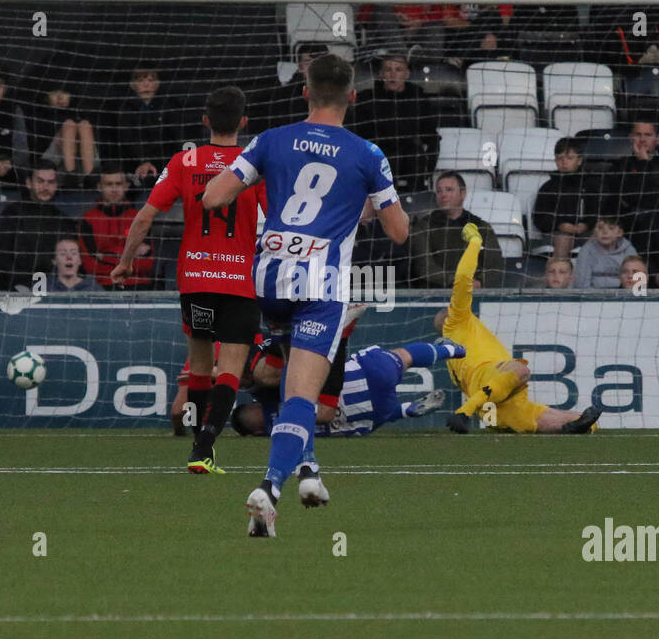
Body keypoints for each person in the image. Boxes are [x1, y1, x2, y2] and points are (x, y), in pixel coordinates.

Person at [202, 54, 410, 537]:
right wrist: (360, 205)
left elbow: (214, 196)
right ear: (352, 97)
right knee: (302, 394)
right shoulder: (367, 154)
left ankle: (310, 473)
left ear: (305, 93)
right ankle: (270, 488)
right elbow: (399, 232)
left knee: (290, 369)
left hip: (268, 277)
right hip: (320, 285)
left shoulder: (270, 140)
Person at [114, 86, 266, 473]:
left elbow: (146, 215)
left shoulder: (185, 161)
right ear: (244, 122)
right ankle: (204, 444)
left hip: (196, 277)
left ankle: (199, 436)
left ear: (204, 121)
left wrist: (126, 262)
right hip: (238, 280)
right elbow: (280, 219)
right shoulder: (255, 165)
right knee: (229, 368)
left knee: (200, 366)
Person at [437, 223, 601, 434]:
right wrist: (475, 243)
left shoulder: (453, 359)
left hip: (498, 408)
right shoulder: (456, 320)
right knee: (520, 369)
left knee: (584, 423)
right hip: (489, 377)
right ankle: (464, 411)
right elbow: (463, 279)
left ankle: (572, 427)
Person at [232, 338, 459, 438]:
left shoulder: (279, 432)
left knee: (353, 419)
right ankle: (453, 350)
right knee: (403, 356)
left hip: (371, 417)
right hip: (368, 375)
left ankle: (405, 410)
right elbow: (265, 378)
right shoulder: (278, 394)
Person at [350, 51, 438, 191]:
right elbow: (356, 135)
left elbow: (432, 137)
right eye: (388, 69)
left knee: (415, 156)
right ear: (381, 74)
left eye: (398, 70)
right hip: (379, 155)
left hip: (411, 159)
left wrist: (428, 172)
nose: (393, 75)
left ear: (406, 74)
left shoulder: (418, 98)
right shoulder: (367, 99)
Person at [409, 171, 504, 287]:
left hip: (473, 295)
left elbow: (495, 267)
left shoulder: (481, 227)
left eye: (449, 190)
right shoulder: (424, 226)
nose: (443, 195)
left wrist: (480, 282)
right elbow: (424, 267)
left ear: (463, 193)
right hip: (434, 294)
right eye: (439, 191)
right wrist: (457, 281)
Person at [0, 163, 76, 287]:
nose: (45, 187)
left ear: (56, 185)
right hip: (15, 287)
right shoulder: (12, 214)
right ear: (28, 183)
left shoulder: (63, 220)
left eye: (51, 182)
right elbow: (2, 257)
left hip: (54, 287)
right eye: (40, 181)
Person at [79, 165, 154, 289]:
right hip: (101, 288)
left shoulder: (139, 218)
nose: (114, 189)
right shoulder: (88, 219)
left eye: (118, 184)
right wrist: (130, 255)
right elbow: (90, 265)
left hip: (138, 287)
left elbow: (147, 263)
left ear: (126, 186)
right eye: (109, 184)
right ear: (99, 187)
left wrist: (105, 254)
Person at [531, 138, 595, 259]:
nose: (564, 162)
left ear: (579, 160)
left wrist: (586, 225)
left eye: (569, 158)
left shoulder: (590, 185)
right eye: (560, 158)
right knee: (563, 238)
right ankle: (561, 272)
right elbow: (540, 218)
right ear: (555, 160)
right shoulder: (548, 187)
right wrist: (560, 225)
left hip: (585, 232)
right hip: (555, 233)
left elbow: (596, 212)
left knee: (601, 237)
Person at [113, 65, 172, 182]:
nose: (146, 85)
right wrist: (143, 161)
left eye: (150, 80)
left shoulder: (167, 108)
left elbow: (169, 139)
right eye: (140, 81)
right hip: (133, 163)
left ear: (157, 84)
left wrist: (151, 162)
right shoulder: (125, 110)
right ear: (132, 85)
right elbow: (127, 140)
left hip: (161, 163)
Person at [30, 83, 97, 182]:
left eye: (65, 93)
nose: (60, 97)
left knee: (84, 125)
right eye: (55, 92)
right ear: (46, 97)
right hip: (53, 162)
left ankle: (90, 177)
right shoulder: (39, 114)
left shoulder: (80, 113)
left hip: (83, 162)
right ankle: (70, 176)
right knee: (69, 125)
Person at [572, 213, 637, 288]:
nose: (604, 232)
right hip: (593, 296)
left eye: (611, 228)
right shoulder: (586, 250)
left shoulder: (628, 250)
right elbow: (581, 284)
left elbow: (635, 281)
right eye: (600, 228)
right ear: (594, 232)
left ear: (620, 233)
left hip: (621, 296)